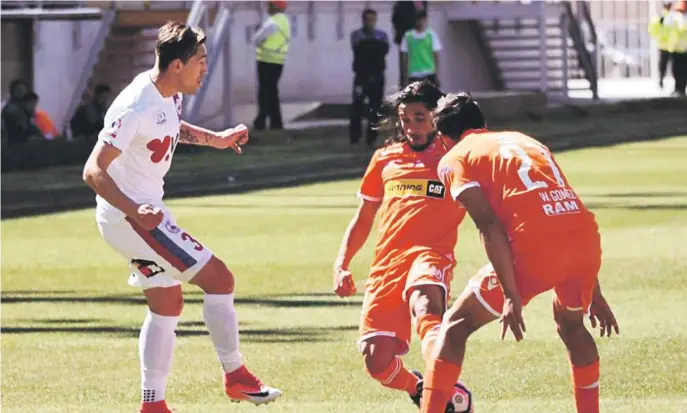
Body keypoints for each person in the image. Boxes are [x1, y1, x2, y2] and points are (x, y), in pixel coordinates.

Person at [81, 21, 282, 413]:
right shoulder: (134, 105)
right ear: (177, 65)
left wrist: (216, 139)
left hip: (133, 218)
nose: (204, 68)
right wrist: (135, 210)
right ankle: (235, 374)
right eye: (200, 61)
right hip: (133, 219)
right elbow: (93, 170)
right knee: (219, 279)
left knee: (167, 304)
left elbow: (171, 128)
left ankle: (152, 404)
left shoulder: (168, 94)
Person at [416, 93, 619, 413]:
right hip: (584, 242)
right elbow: (563, 206)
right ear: (483, 124)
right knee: (570, 323)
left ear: (443, 138)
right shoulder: (526, 140)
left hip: (534, 250)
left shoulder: (455, 157)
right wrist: (593, 288)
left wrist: (511, 294)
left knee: (455, 326)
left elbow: (488, 225)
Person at [333, 80, 465, 411]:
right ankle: (420, 388)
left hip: (430, 255)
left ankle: (445, 387)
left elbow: (485, 206)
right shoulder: (384, 159)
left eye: (419, 118)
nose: (411, 127)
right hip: (386, 267)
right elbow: (364, 218)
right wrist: (342, 263)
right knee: (376, 360)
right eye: (406, 119)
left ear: (437, 116)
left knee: (425, 304)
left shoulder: (455, 156)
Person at [350, 8, 389, 147]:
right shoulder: (357, 35)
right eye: (367, 20)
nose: (369, 23)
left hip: (377, 76)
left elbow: (382, 51)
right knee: (357, 107)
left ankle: (371, 138)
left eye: (372, 20)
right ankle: (354, 137)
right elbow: (359, 50)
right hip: (361, 76)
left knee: (375, 108)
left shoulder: (381, 36)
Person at [252, 0, 291, 131]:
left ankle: (262, 122)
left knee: (265, 93)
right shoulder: (284, 20)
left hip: (266, 61)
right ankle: (275, 123)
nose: (267, 7)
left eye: (269, 5)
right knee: (271, 92)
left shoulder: (272, 22)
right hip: (278, 62)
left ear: (275, 6)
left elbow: (256, 39)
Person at [400, 11, 442, 87]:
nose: (420, 22)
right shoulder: (408, 35)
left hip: (429, 72)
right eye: (418, 20)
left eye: (423, 20)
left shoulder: (431, 34)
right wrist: (405, 77)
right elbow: (404, 57)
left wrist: (437, 74)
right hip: (414, 74)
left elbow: (436, 55)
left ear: (426, 20)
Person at [392, 1, 428, 86]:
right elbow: (396, 19)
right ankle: (406, 88)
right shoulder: (402, 3)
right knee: (405, 68)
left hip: (420, 40)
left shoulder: (422, 2)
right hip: (406, 38)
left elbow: (424, 17)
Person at [648, 2, 674, 88]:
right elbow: (652, 30)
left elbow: (652, 30)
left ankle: (662, 80)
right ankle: (663, 81)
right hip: (671, 45)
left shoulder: (661, 17)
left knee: (664, 65)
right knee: (671, 65)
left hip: (667, 45)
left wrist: (659, 37)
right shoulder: (663, 18)